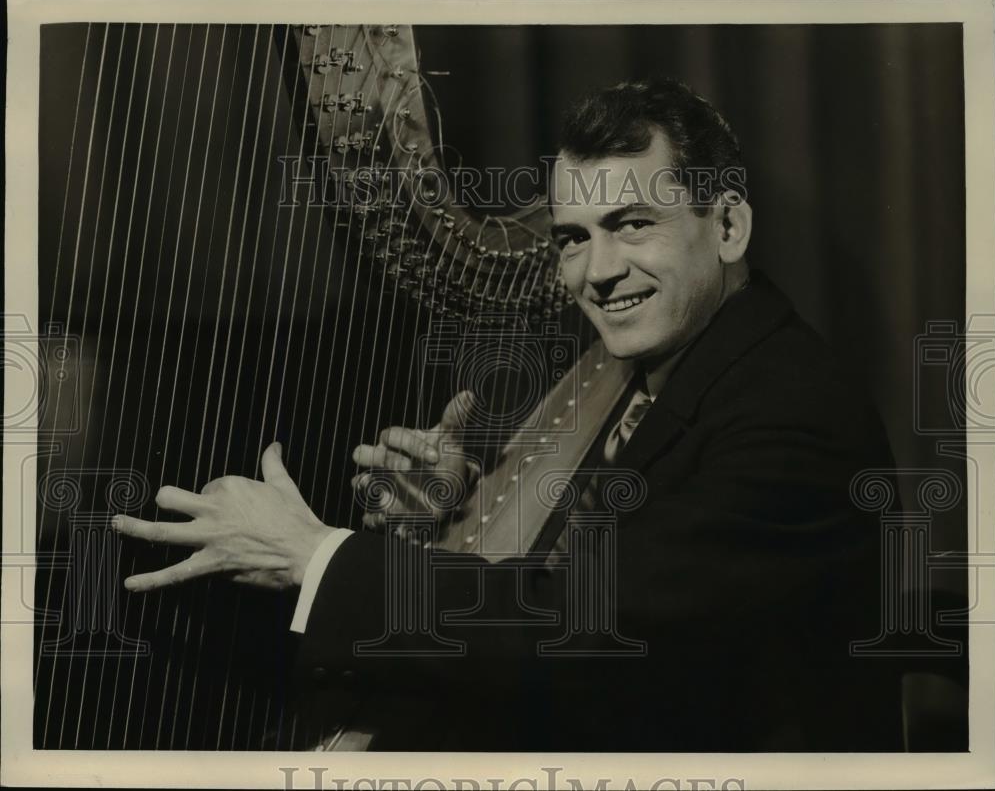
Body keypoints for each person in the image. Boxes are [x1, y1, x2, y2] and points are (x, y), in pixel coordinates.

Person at [113, 77, 903, 751]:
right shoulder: (665, 364)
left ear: (727, 226)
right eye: (570, 240)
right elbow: (614, 565)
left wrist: (317, 555)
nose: (598, 273)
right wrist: (446, 518)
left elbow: (590, 632)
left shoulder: (794, 415)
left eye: (632, 225)